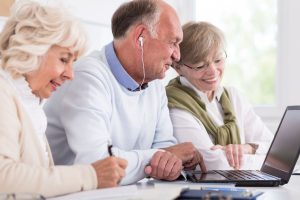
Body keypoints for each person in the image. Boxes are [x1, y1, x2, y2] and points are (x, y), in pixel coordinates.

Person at [44, 0, 206, 185]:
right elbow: (99, 165)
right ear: (141, 37)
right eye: (172, 42)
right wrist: (160, 157)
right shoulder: (87, 77)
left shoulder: (154, 85)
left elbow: (166, 150)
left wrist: (168, 163)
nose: (177, 55)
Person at [0, 1, 127, 198]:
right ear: (32, 48)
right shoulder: (3, 93)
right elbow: (3, 177)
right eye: (64, 59)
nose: (70, 74)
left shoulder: (29, 102)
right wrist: (91, 175)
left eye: (73, 62)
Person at [166, 21, 273, 170]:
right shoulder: (175, 106)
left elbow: (275, 151)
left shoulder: (233, 96)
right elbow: (213, 165)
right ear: (178, 68)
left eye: (218, 60)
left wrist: (246, 148)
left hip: (245, 187)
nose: (213, 71)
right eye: (200, 65)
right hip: (203, 191)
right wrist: (260, 159)